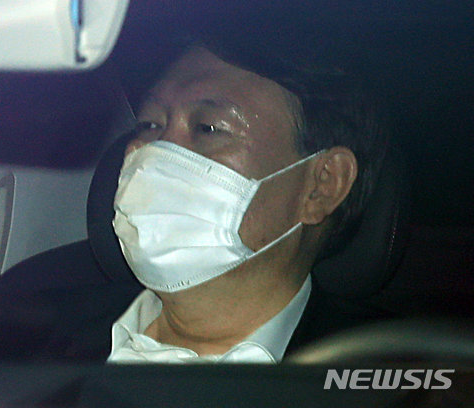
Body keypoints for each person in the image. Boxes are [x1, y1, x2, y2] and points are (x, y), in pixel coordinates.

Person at [105, 43, 392, 363]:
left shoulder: (395, 375)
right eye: (149, 125)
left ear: (321, 185)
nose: (156, 152)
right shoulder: (58, 328)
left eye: (208, 128)